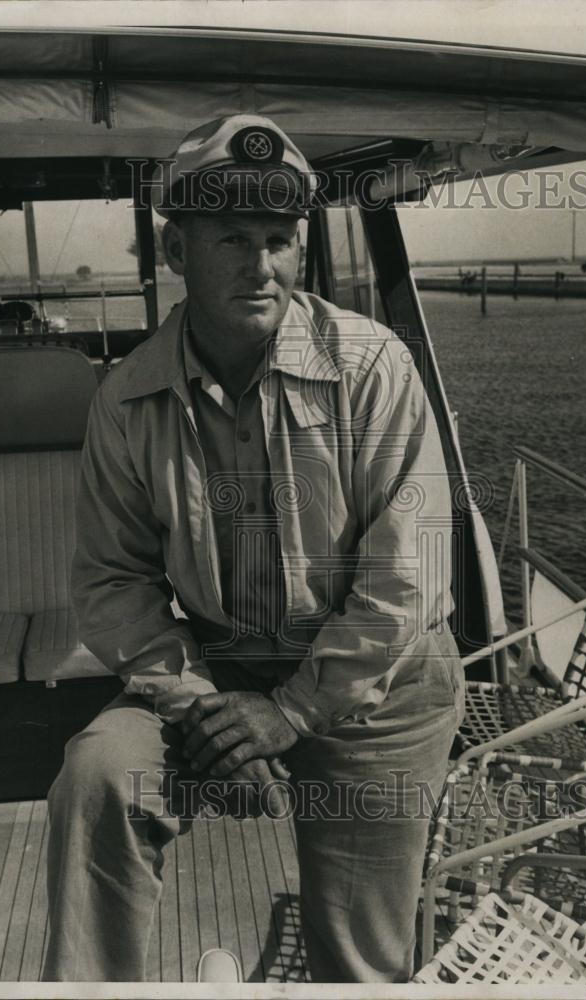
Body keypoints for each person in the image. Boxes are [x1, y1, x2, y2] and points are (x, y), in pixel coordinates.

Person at [43, 114, 464, 983]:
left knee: (359, 959)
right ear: (174, 250)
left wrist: (292, 713)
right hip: (218, 670)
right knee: (99, 779)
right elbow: (113, 584)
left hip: (377, 686)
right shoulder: (125, 403)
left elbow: (406, 579)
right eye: (232, 237)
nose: (261, 263)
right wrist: (203, 706)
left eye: (279, 238)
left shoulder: (374, 367)